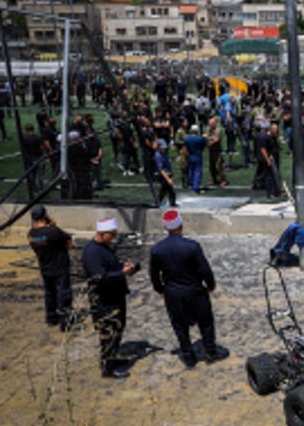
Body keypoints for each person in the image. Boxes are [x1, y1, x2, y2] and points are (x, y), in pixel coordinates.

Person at [149, 210, 228, 368]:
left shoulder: (157, 249)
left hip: (172, 293)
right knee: (205, 322)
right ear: (180, 225)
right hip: (195, 291)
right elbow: (204, 269)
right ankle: (210, 351)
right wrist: (210, 285)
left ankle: (188, 355)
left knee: (179, 325)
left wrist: (161, 290)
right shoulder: (192, 246)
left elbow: (154, 274)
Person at [81, 217, 138, 378]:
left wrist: (127, 268)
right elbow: (99, 277)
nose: (114, 237)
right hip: (103, 302)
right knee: (108, 334)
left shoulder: (105, 248)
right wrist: (122, 273)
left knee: (117, 330)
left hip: (115, 297)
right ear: (101, 233)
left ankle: (113, 359)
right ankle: (108, 369)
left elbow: (112, 267)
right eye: (111, 234)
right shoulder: (92, 252)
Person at [27, 205, 73, 329]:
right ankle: (65, 322)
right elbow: (69, 242)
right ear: (44, 216)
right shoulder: (53, 231)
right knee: (63, 294)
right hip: (59, 267)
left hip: (45, 267)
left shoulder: (31, 234)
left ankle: (51, 318)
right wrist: (53, 225)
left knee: (49, 293)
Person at [184, 124, 207, 194]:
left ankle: (191, 184)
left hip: (190, 155)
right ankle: (195, 188)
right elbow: (204, 145)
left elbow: (185, 147)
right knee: (197, 171)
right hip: (197, 155)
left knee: (191, 170)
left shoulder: (187, 138)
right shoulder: (200, 139)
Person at [154, 138, 177, 207]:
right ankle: (170, 203)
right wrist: (168, 179)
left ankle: (160, 202)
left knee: (165, 190)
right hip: (163, 176)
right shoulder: (158, 156)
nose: (164, 148)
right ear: (159, 147)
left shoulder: (164, 154)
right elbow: (161, 170)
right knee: (168, 190)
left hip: (167, 174)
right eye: (162, 147)